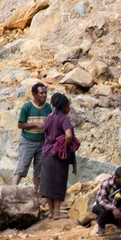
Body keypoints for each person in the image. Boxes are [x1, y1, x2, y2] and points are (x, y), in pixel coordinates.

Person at [39, 92, 78, 220]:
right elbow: (68, 135)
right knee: (58, 182)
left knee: (48, 183)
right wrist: (65, 147)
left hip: (46, 152)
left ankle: (50, 212)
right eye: (68, 105)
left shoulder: (49, 117)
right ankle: (57, 213)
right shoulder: (64, 118)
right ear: (64, 105)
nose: (69, 108)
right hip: (58, 155)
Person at [14, 82, 50, 189]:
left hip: (42, 142)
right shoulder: (27, 107)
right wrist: (35, 124)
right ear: (34, 95)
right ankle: (13, 188)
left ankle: (35, 191)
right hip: (28, 141)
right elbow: (20, 124)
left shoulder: (48, 108)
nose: (44, 95)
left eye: (45, 93)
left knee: (40, 168)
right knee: (22, 165)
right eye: (41, 93)